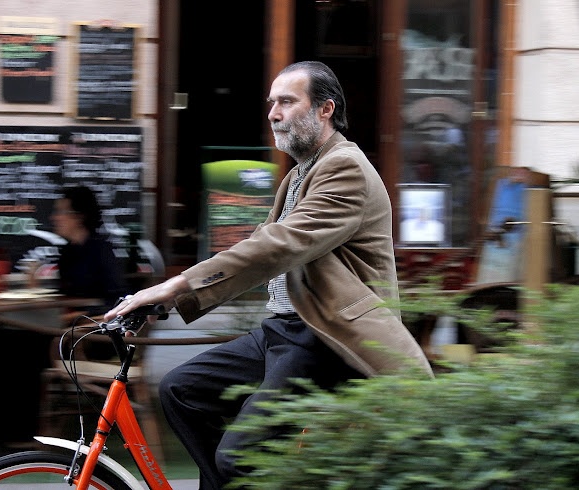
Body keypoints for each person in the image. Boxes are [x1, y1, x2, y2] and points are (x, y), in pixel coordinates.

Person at [105, 61, 433, 489]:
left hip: (326, 336)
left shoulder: (345, 168)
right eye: (272, 102)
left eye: (286, 102)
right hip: (285, 329)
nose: (273, 113)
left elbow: (279, 245)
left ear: (325, 109)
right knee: (181, 390)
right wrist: (170, 299)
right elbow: (260, 244)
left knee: (239, 456)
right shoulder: (300, 173)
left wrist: (177, 284)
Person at [52, 185, 128, 358]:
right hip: (71, 329)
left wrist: (82, 315)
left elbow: (118, 299)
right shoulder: (67, 252)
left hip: (98, 335)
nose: (54, 217)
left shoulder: (101, 251)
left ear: (79, 217)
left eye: (61, 212)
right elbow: (66, 295)